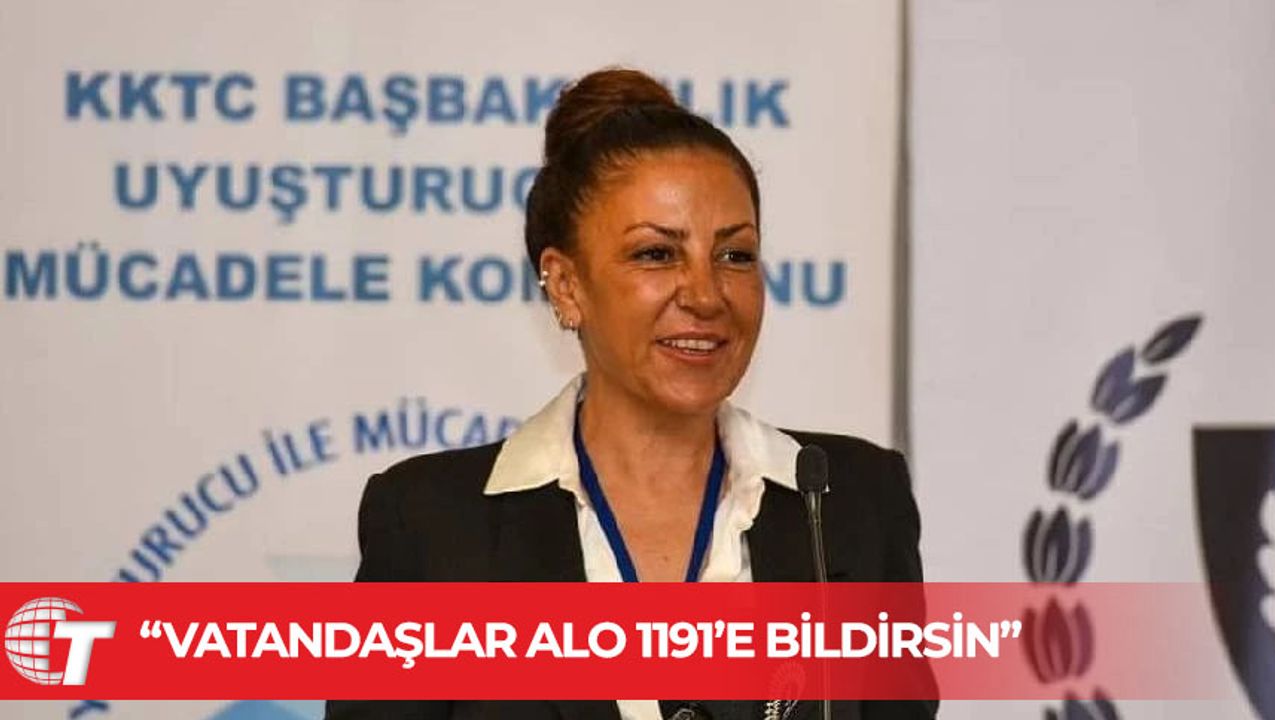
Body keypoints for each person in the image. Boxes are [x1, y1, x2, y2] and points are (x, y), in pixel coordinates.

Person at [326, 67, 935, 720]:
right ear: (566, 286)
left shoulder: (850, 502)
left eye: (735, 255)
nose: (705, 295)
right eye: (656, 255)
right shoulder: (431, 525)